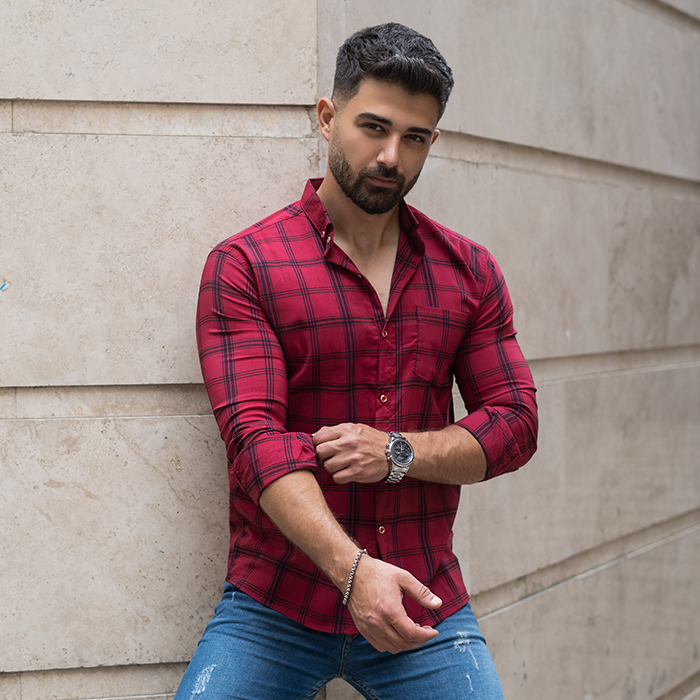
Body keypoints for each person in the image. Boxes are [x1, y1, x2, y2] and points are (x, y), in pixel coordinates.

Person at [176, 22, 537, 700]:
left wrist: (399, 452)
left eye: (415, 138)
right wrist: (354, 573)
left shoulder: (469, 272)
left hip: (422, 601)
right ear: (327, 116)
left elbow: (515, 423)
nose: (391, 156)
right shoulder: (247, 265)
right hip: (274, 604)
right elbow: (256, 443)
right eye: (373, 127)